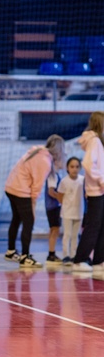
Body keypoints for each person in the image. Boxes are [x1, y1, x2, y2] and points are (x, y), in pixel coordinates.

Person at [3, 135, 65, 268]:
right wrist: (33, 205)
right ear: (58, 150)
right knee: (28, 222)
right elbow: (36, 186)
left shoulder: (38, 150)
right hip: (20, 190)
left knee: (16, 218)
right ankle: (25, 257)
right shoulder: (45, 161)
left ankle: (11, 251)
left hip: (10, 187)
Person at [72, 111, 104, 273]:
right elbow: (88, 163)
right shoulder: (95, 141)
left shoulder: (97, 141)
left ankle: (99, 260)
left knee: (100, 225)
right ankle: (80, 259)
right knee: (93, 225)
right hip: (96, 191)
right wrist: (101, 180)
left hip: (99, 191)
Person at [56, 157, 84, 265]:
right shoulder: (64, 181)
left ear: (80, 168)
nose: (75, 169)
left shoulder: (82, 180)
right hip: (67, 213)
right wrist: (67, 205)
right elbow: (60, 196)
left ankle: (73, 255)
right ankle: (66, 255)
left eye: (77, 167)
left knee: (75, 235)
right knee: (67, 234)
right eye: (72, 167)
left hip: (79, 212)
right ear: (67, 168)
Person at [44, 156, 64, 264]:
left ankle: (51, 253)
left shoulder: (54, 175)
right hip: (53, 206)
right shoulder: (53, 175)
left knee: (53, 229)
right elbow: (51, 191)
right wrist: (62, 199)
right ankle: (51, 254)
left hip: (51, 206)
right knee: (55, 230)